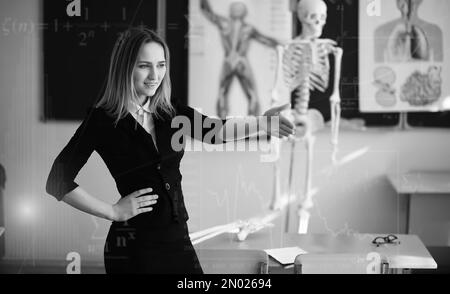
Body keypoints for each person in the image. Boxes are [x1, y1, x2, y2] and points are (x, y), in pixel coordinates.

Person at [45, 27, 295, 274]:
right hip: (133, 248)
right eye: (144, 66)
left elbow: (215, 132)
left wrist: (262, 123)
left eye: (161, 65)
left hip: (177, 239)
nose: (155, 75)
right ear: (125, 68)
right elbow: (57, 180)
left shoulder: (170, 112)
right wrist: (112, 211)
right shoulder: (101, 120)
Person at [200, 0, 280, 118]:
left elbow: (207, 11)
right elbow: (265, 40)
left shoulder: (224, 23)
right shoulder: (247, 28)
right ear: (244, 13)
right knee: (251, 94)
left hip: (229, 61)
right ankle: (252, 124)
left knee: (223, 92)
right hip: (241, 62)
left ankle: (221, 123)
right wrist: (279, 44)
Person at [374, 0, 443, 63]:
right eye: (404, 3)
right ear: (398, 3)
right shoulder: (381, 31)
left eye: (411, 3)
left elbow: (439, 65)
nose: (408, 7)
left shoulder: (434, 31)